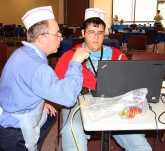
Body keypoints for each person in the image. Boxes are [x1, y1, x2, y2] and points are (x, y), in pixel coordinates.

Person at [0, 6, 90, 151]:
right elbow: (68, 98)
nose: (60, 38)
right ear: (42, 37)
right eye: (57, 34)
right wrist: (75, 63)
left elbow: (19, 86)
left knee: (50, 116)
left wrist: (39, 102)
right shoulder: (38, 67)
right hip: (13, 133)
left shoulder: (21, 52)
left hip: (3, 119)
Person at [55, 8, 152, 151]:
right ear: (82, 33)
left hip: (114, 100)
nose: (96, 37)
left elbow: (131, 82)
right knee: (72, 130)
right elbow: (57, 87)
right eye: (91, 32)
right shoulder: (69, 56)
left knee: (137, 140)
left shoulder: (117, 55)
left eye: (100, 33)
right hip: (79, 101)